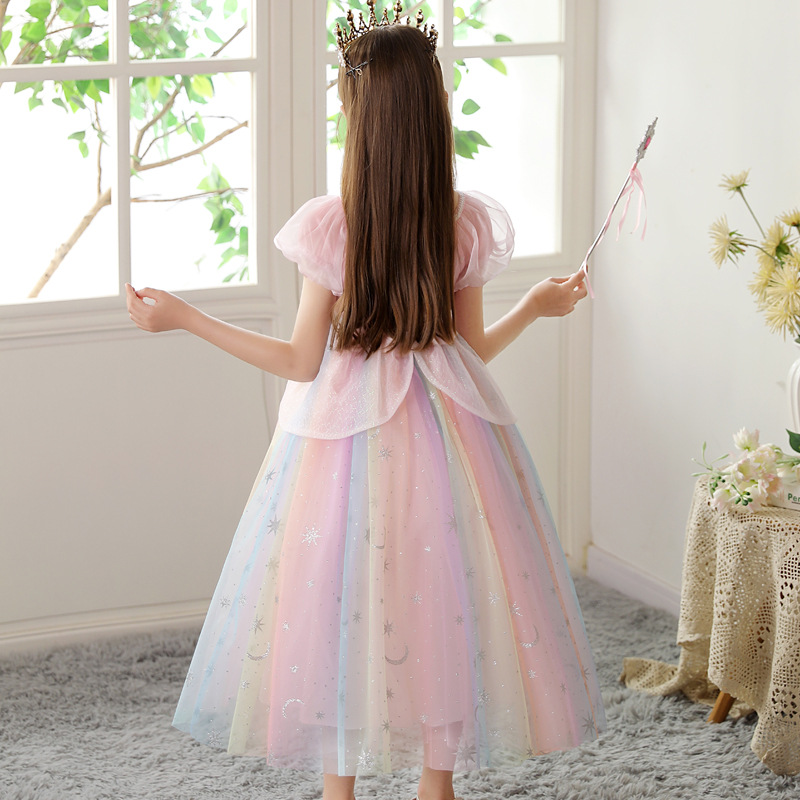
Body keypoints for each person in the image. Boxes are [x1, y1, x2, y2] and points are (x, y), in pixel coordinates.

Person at [126, 4, 604, 799]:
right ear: (432, 110)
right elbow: (469, 353)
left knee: (341, 599)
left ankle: (339, 788)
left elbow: (300, 360)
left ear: (361, 117)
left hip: (346, 442)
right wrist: (535, 308)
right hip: (449, 438)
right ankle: (435, 784)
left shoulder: (335, 227)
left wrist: (186, 318)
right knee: (444, 598)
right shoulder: (460, 221)